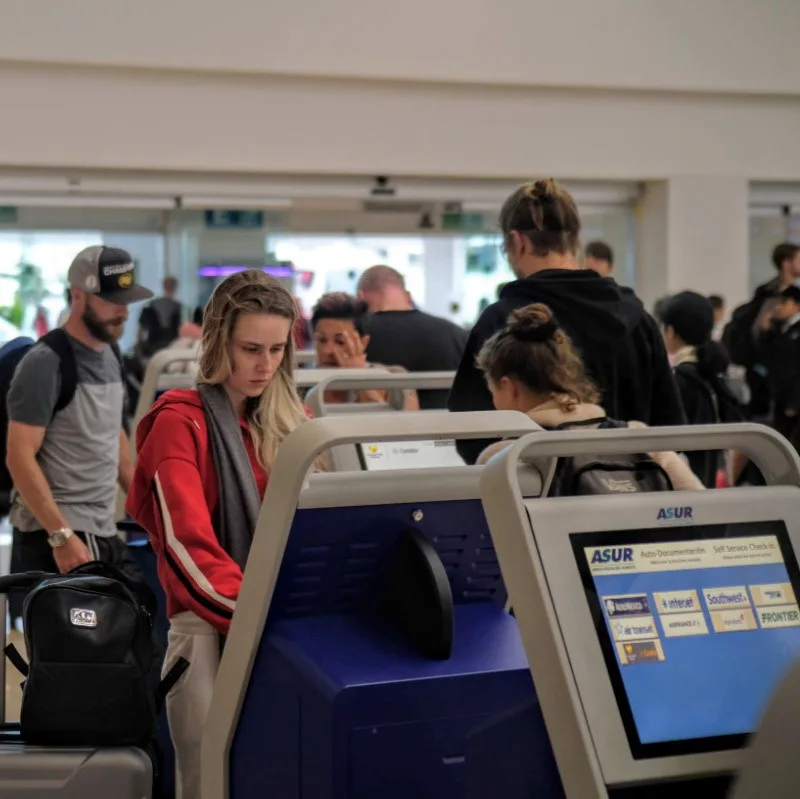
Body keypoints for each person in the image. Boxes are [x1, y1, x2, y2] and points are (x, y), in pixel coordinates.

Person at [126, 269, 318, 799]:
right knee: (210, 784)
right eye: (250, 348)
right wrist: (259, 613)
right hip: (211, 632)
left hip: (279, 628)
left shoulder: (290, 421)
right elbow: (188, 545)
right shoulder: (178, 422)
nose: (265, 365)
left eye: (278, 349)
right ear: (217, 342)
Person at [448, 179, 685, 465]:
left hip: (534, 501)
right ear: (574, 241)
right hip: (632, 497)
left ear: (517, 242)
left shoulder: (502, 321)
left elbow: (471, 432)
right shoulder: (638, 320)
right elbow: (670, 427)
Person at [6, 245, 151, 581]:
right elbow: (19, 456)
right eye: (111, 301)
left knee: (144, 617)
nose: (124, 313)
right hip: (56, 536)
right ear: (78, 296)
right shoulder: (45, 362)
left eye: (126, 301)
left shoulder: (110, 355)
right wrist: (61, 536)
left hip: (100, 530)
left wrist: (153, 515)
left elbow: (114, 441)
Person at [473, 304, 703, 490]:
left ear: (509, 386)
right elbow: (701, 506)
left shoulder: (504, 457)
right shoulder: (637, 439)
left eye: (493, 391)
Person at [356, 265, 468, 410]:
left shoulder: (354, 340)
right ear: (408, 295)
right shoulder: (457, 334)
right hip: (452, 427)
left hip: (380, 428)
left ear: (361, 297)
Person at [660, 292, 739, 487]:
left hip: (687, 494)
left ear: (670, 331)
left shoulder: (680, 380)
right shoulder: (711, 373)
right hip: (710, 483)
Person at [723, 242, 800, 421]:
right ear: (786, 263)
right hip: (766, 378)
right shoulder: (771, 295)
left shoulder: (775, 292)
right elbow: (760, 331)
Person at [311, 292, 418, 409]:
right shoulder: (300, 382)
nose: (327, 351)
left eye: (340, 341)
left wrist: (360, 382)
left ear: (363, 342)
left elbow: (407, 426)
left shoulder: (394, 378)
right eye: (321, 340)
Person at [758, 283, 800, 442]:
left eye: (784, 303)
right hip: (779, 395)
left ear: (796, 305)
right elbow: (769, 356)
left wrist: (795, 403)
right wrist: (766, 332)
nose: (778, 308)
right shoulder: (782, 328)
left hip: (793, 399)